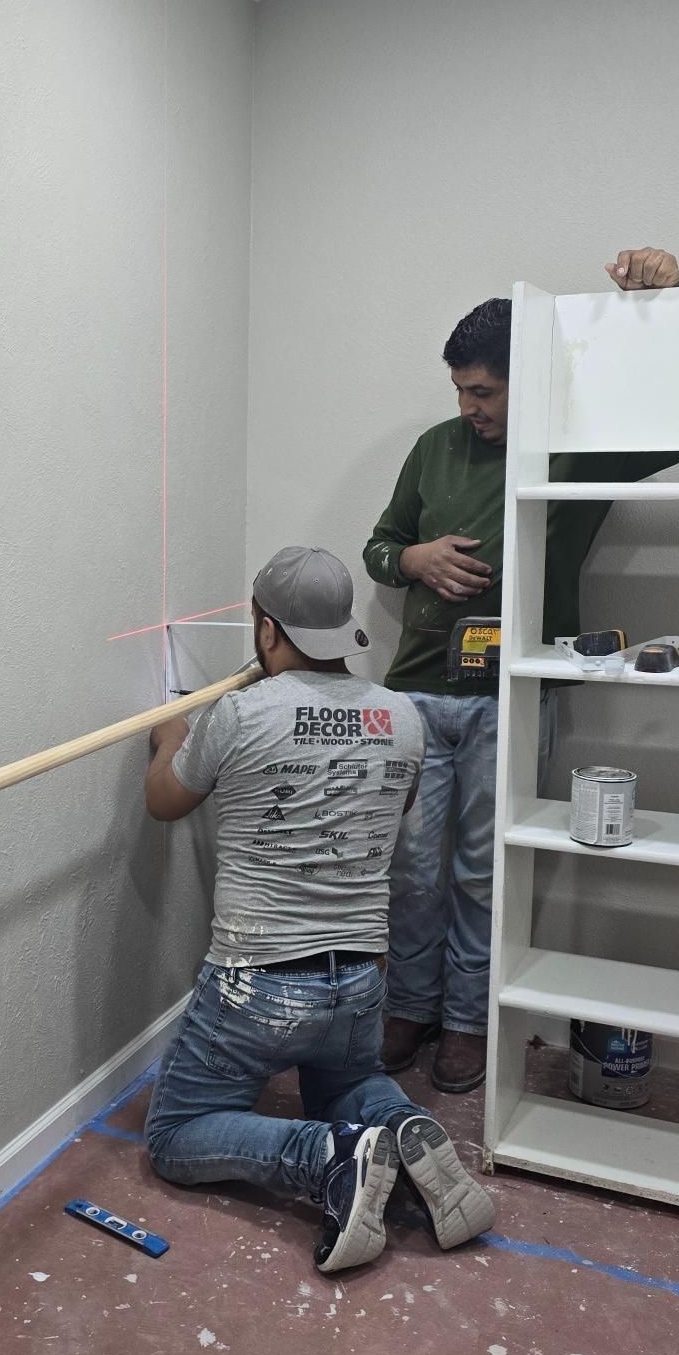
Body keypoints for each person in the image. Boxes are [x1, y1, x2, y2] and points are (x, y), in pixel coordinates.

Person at [363, 246, 679, 1096]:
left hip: (512, 694)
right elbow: (379, 547)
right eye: (460, 391)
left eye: (484, 392)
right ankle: (410, 1006)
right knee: (411, 868)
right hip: (418, 693)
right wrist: (413, 559)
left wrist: (670, 300)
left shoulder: (581, 449)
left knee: (484, 869)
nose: (468, 408)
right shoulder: (435, 449)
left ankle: (468, 1020)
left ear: (530, 380)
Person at [142, 544, 498, 1273]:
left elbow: (164, 801)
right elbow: (397, 805)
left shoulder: (238, 713)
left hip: (257, 982)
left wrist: (170, 733)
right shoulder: (401, 715)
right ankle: (401, 1127)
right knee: (344, 1085)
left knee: (174, 1136)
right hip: (361, 981)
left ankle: (326, 1157)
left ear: (266, 629)